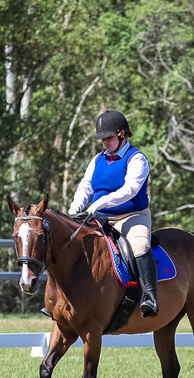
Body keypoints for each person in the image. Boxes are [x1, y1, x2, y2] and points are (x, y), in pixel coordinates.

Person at [68, 110, 158, 317]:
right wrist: (75, 208)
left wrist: (101, 201)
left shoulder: (137, 159)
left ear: (122, 134)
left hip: (131, 216)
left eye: (108, 138)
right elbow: (86, 186)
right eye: (102, 139)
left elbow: (130, 190)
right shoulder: (97, 159)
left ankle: (150, 298)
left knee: (140, 245)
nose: (105, 143)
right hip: (99, 216)